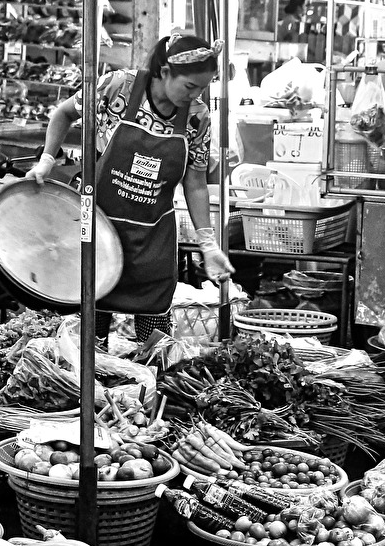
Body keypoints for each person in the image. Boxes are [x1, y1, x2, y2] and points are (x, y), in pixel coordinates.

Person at [29, 32, 233, 343]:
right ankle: (92, 390)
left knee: (156, 345)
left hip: (152, 242)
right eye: (190, 86)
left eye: (204, 88)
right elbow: (63, 114)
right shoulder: (117, 86)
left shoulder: (197, 116)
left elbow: (195, 181)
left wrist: (208, 242)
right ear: (165, 72)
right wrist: (46, 160)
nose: (196, 95)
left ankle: (147, 389)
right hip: (99, 231)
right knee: (90, 341)